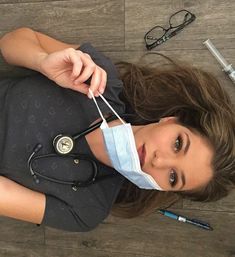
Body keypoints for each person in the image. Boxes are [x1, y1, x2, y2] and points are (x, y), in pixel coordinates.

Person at [0, 27, 234, 231]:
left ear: (163, 189)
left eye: (173, 177)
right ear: (171, 120)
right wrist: (41, 61)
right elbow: (11, 42)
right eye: (177, 144)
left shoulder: (87, 210)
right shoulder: (97, 78)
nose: (159, 161)